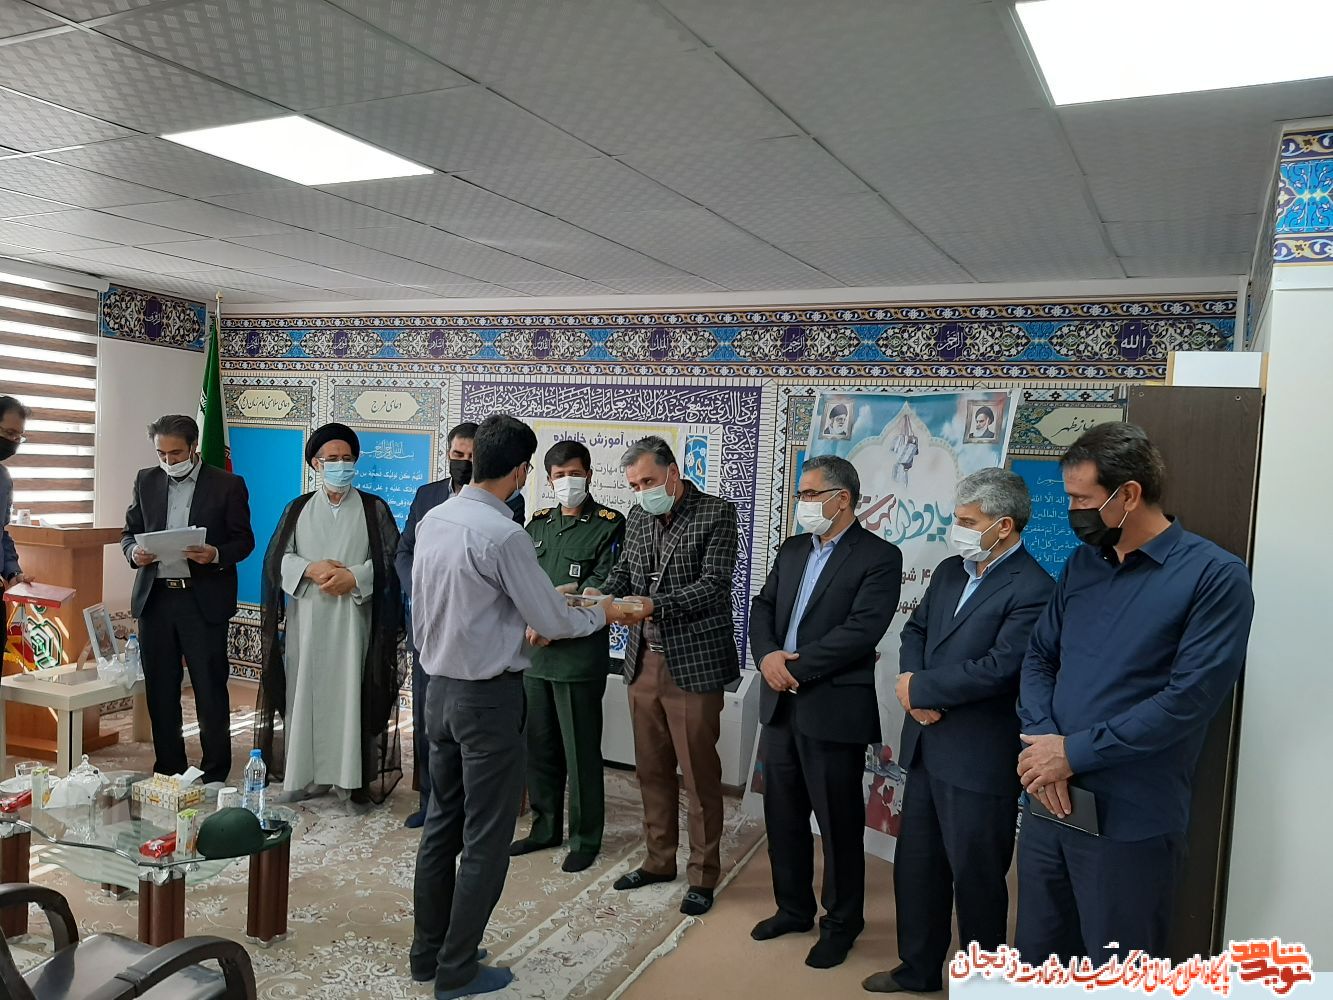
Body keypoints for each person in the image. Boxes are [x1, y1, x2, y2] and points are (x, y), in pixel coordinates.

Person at [408, 414, 645, 1000]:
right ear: (520, 471)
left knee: (442, 826)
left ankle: (428, 953)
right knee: (486, 839)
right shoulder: (506, 533)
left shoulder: (438, 517)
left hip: (437, 691)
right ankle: (457, 970)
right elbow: (553, 622)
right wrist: (602, 612)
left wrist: (549, 601)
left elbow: (476, 601)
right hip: (486, 701)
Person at [1015, 423, 1254, 963]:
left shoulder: (1214, 577)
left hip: (1130, 817)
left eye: (1082, 500)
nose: (1071, 511)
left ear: (1128, 495)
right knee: (1039, 958)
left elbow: (1187, 701)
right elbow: (1039, 656)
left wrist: (1072, 753)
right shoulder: (1082, 564)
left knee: (1118, 968)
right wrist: (1044, 743)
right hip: (1049, 803)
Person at [863, 468, 1054, 994]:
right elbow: (916, 630)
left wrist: (923, 690)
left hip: (978, 759)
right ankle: (918, 968)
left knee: (977, 880)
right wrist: (912, 688)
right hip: (927, 747)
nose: (958, 529)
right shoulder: (951, 570)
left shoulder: (1035, 588)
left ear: (1004, 525)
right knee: (917, 868)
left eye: (968, 521)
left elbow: (1002, 668)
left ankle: (982, 984)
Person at [749, 455, 902, 970]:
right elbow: (763, 607)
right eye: (802, 494)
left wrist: (794, 668)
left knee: (838, 824)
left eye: (811, 494)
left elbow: (862, 631)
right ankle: (793, 909)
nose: (803, 503)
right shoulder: (793, 548)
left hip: (832, 706)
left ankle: (841, 923)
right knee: (783, 816)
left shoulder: (880, 556)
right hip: (780, 703)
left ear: (842, 499)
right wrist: (768, 658)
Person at [594, 435, 740, 917]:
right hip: (642, 662)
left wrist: (654, 606)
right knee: (651, 769)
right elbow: (623, 574)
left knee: (698, 775)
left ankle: (703, 873)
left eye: (649, 481)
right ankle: (659, 861)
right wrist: (596, 595)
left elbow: (714, 586)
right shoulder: (638, 516)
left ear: (673, 473)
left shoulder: (716, 513)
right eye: (635, 485)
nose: (642, 492)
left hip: (693, 664)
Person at [256, 422, 403, 807]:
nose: (341, 465)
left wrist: (355, 577)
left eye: (347, 458)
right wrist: (310, 569)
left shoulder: (373, 508)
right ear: (316, 464)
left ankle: (348, 782)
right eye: (332, 459)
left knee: (350, 697)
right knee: (303, 696)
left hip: (354, 624)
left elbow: (392, 562)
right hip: (307, 623)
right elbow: (276, 560)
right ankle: (301, 777)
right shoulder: (298, 508)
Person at [396, 421, 525, 828]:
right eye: (457, 455)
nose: (464, 462)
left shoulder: (509, 502)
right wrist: (420, 587)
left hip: (474, 635)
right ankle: (430, 801)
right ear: (448, 454)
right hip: (431, 626)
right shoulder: (427, 496)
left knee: (470, 733)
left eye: (471, 456)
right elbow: (404, 551)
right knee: (427, 718)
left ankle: (464, 805)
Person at [510, 440, 624, 873]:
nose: (567, 482)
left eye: (574, 474)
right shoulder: (537, 524)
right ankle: (544, 828)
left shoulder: (611, 524)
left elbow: (601, 587)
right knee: (539, 748)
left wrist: (555, 612)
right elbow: (521, 580)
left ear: (589, 474)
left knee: (580, 753)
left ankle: (585, 837)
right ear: (548, 479)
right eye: (559, 476)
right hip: (536, 656)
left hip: (577, 657)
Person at [120, 415, 253, 783]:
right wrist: (133, 553)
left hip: (201, 600)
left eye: (176, 453)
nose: (169, 460)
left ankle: (214, 772)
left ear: (194, 447)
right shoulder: (146, 480)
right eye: (161, 454)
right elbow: (129, 533)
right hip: (156, 600)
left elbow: (244, 541)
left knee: (209, 689)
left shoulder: (227, 485)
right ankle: (169, 768)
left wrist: (215, 554)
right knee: (161, 689)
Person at [0, 396, 32, 590]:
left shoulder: (4, 479)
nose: (13, 441)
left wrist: (13, 572)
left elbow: (1, 533)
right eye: (9, 433)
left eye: (18, 437)